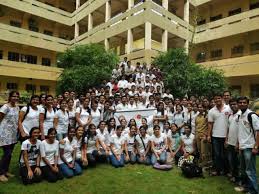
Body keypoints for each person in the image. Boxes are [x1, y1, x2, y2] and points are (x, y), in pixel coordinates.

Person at [235, 97, 259, 194]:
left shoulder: (252, 115)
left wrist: (256, 146)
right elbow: (241, 131)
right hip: (242, 146)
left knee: (250, 170)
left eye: (244, 102)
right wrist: (238, 144)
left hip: (250, 146)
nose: (241, 104)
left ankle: (254, 191)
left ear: (248, 104)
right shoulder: (240, 115)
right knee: (243, 170)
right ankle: (246, 187)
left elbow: (258, 131)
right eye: (240, 102)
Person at [208, 93, 231, 176]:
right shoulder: (211, 111)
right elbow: (210, 124)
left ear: (222, 98)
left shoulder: (228, 108)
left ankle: (227, 171)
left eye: (219, 98)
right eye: (215, 99)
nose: (217, 100)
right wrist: (208, 135)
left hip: (226, 136)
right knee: (217, 154)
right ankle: (217, 170)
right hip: (215, 136)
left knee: (225, 155)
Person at [0, 91, 20, 182]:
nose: (15, 98)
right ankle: (1, 173)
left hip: (13, 133)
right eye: (13, 96)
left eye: (17, 96)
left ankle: (6, 171)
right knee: (7, 153)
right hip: (4, 133)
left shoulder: (17, 107)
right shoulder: (5, 107)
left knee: (10, 154)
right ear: (10, 97)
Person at [226, 98, 240, 183]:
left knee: (238, 162)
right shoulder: (230, 115)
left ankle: (238, 178)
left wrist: (238, 143)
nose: (233, 106)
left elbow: (241, 130)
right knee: (231, 160)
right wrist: (226, 139)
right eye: (231, 104)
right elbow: (228, 128)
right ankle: (233, 175)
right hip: (230, 142)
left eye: (234, 104)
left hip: (237, 143)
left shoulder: (240, 114)